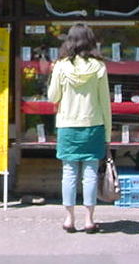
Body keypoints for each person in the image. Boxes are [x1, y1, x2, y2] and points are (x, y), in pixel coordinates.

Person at [47, 23, 111, 234]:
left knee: (69, 173)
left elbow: (52, 97)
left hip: (67, 126)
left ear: (70, 41)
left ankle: (69, 219)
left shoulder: (61, 66)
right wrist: (108, 135)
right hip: (93, 126)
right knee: (91, 174)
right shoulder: (99, 67)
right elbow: (105, 103)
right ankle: (89, 220)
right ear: (90, 41)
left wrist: (52, 74)